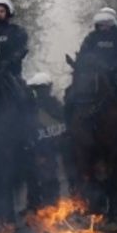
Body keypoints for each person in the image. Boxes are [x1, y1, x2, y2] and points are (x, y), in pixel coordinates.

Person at [73, 7, 117, 120]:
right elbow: (84, 54)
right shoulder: (91, 37)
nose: (104, 26)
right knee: (72, 93)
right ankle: (69, 125)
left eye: (107, 23)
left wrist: (113, 68)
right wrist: (87, 64)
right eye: (101, 23)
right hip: (93, 75)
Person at [26, 73, 66, 210]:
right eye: (36, 89)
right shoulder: (31, 107)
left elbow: (61, 125)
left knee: (50, 177)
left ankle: (51, 204)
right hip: (35, 147)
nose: (38, 92)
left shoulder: (55, 105)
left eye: (41, 88)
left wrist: (54, 141)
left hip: (49, 149)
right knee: (32, 177)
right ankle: (33, 205)